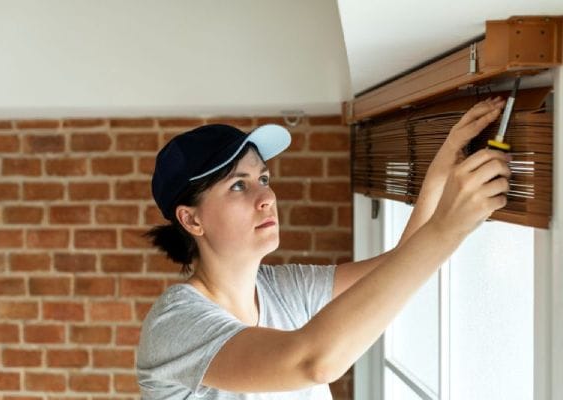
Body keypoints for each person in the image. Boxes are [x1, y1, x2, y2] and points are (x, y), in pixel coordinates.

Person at [136, 98, 510, 399]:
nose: (266, 196)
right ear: (191, 220)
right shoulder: (175, 325)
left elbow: (400, 266)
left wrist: (441, 166)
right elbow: (313, 362)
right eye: (238, 185)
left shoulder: (283, 288)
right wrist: (448, 227)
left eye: (263, 178)